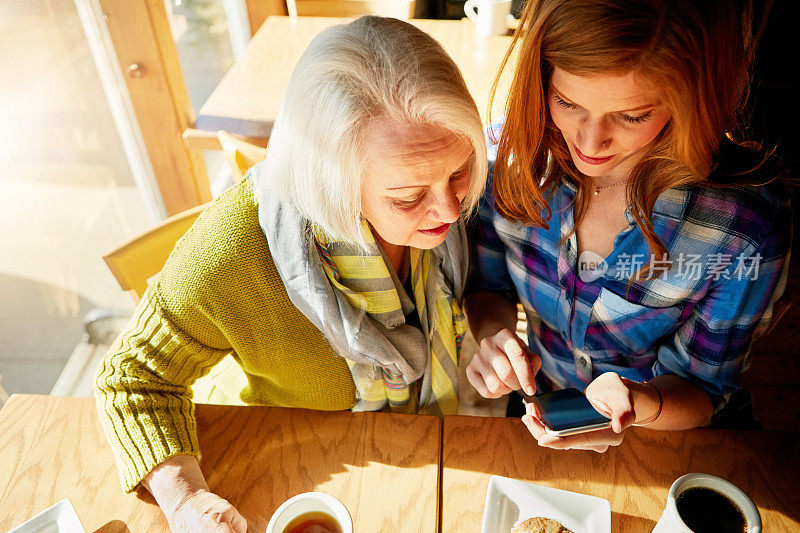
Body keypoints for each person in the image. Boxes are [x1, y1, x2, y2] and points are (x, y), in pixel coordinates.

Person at [94, 16, 487, 532]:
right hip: (298, 473)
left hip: (428, 454)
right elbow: (131, 380)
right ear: (334, 184)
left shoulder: (448, 178)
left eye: (460, 171)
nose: (451, 210)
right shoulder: (234, 251)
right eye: (409, 197)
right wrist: (187, 501)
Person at [466, 0, 792, 453]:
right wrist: (492, 340)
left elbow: (703, 391)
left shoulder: (742, 233)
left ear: (693, 96)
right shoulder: (509, 159)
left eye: (632, 115)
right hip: (539, 416)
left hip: (673, 443)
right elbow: (487, 288)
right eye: (567, 101)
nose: (589, 140)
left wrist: (639, 404)